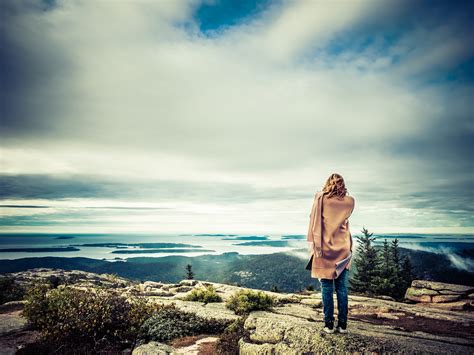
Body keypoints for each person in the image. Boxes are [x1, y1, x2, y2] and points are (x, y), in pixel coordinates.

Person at [307, 173, 355, 334]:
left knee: (326, 287)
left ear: (328, 183)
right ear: (343, 184)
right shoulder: (350, 202)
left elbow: (314, 220)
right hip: (343, 248)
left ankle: (328, 324)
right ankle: (342, 325)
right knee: (342, 287)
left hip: (324, 249)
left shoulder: (320, 198)